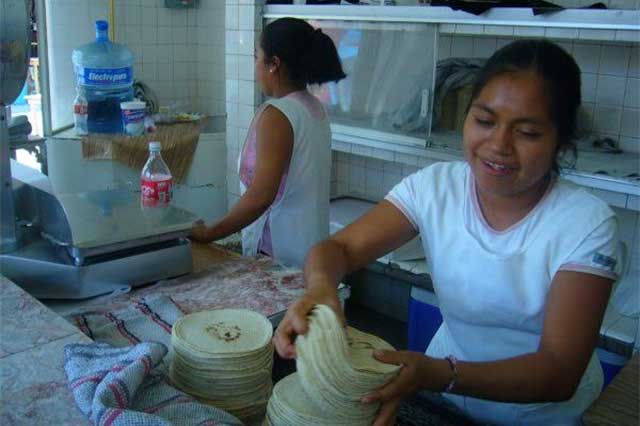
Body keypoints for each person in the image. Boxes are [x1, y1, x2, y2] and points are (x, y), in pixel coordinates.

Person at [273, 39, 621, 426]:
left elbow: (558, 371)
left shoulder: (585, 224)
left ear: (562, 142)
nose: (498, 145)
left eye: (527, 133)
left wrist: (441, 373)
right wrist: (321, 287)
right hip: (447, 394)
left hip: (540, 413)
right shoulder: (436, 187)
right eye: (485, 121)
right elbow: (339, 248)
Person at [190, 18, 346, 267]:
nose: (255, 66)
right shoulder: (314, 108)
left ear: (274, 64)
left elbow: (261, 196)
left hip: (279, 256)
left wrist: (209, 234)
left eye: (257, 56)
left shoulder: (278, 115)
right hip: (310, 252)